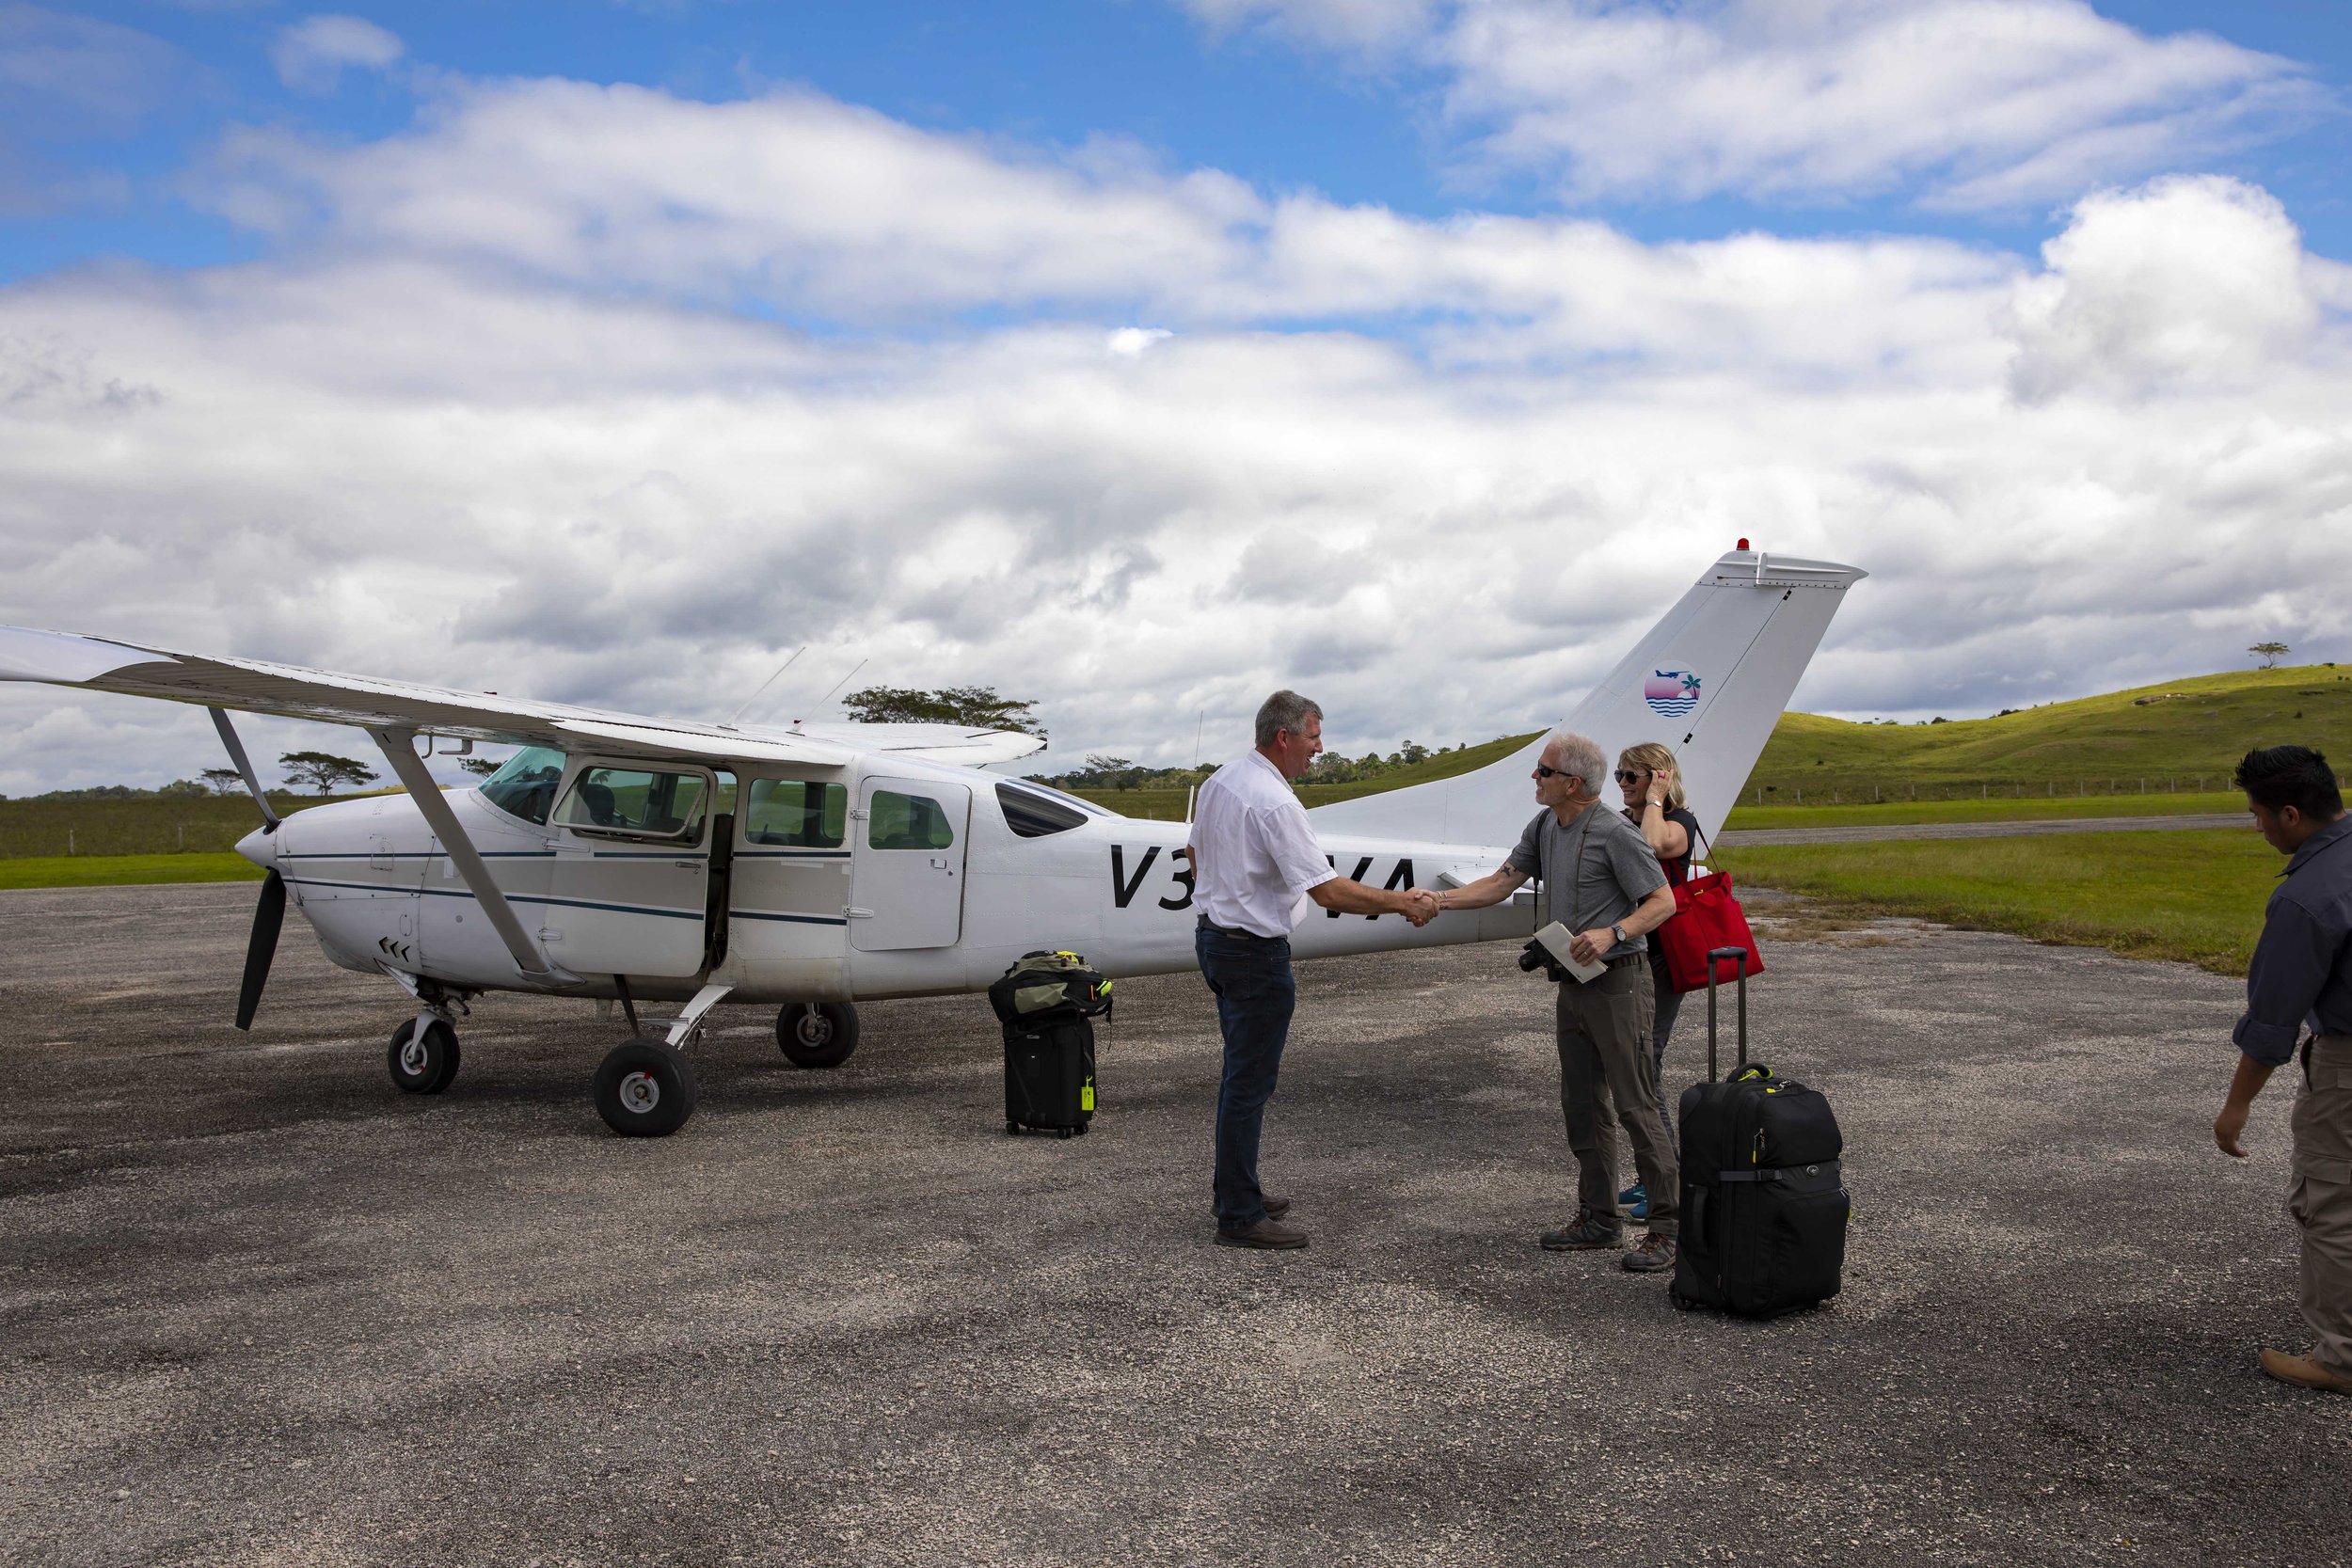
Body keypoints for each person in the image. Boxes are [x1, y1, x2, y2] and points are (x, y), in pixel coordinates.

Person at [1189, 690, 1436, 1250]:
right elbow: (1326, 889)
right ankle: (1238, 1214)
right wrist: (1402, 903)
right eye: (1313, 738)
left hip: (1214, 941)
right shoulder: (1276, 802)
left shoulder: (1221, 781)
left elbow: (1194, 852)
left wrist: (1227, 893)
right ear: (1284, 738)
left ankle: (1234, 1187)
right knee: (1249, 1084)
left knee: (1239, 1076)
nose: (1319, 750)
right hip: (1253, 953)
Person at [1429, 729, 1681, 1271]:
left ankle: (1666, 1226)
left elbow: (1662, 902)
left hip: (1618, 979)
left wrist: (1613, 932)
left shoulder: (1616, 832)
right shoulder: (1545, 825)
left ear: (1572, 782)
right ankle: (1599, 1219)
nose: (1534, 778)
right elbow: (1500, 883)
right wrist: (1437, 900)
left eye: (1543, 771)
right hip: (1573, 981)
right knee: (1582, 1105)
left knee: (1636, 1103)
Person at [2214, 744, 2352, 1394]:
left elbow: (2274, 1019)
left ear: (2291, 813)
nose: (2257, 826)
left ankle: (2342, 1357)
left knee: (2333, 1202)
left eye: (2258, 813)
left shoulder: (2307, 898)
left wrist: (2236, 1106)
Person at [1613, 743, 1705, 1225]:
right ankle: (1655, 1173)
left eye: (1634, 776)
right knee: (1634, 1066)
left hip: (1665, 960)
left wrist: (1655, 800)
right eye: (1620, 776)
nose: (1624, 784)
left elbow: (1654, 845)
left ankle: (1670, 1181)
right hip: (1634, 957)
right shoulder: (1624, 820)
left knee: (1646, 1066)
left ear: (1660, 778)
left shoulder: (1679, 821)